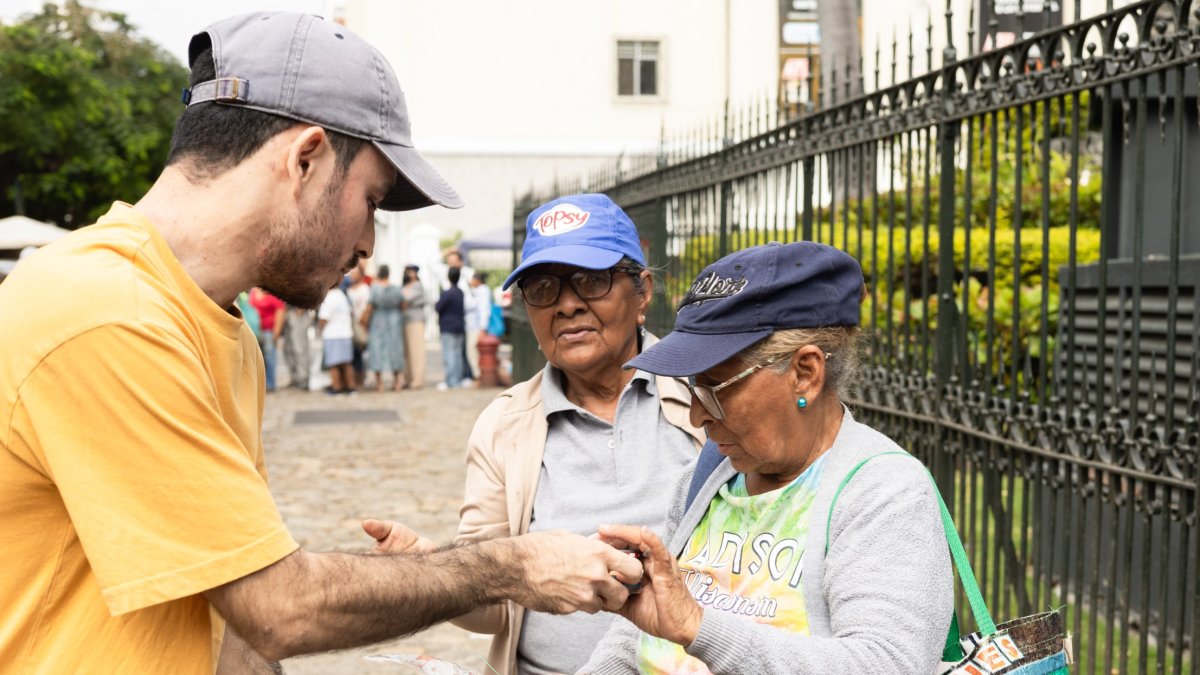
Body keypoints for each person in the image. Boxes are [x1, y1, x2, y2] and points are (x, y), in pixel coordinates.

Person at [0, 13, 643, 673]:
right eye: (371, 199)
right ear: (304, 159)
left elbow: (231, 616)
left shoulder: (219, 327)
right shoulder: (107, 313)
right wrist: (514, 562)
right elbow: (279, 605)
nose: (367, 245)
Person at [579, 242, 954, 674]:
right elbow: (641, 635)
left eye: (715, 388)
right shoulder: (706, 479)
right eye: (691, 388)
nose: (698, 414)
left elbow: (888, 664)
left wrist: (699, 626)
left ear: (805, 373)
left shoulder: (883, 493)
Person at [373, 194, 707, 674]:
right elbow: (491, 608)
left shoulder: (705, 398)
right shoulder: (505, 424)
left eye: (592, 281)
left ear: (643, 292)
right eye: (544, 288)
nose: (567, 305)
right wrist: (434, 570)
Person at [362, 264, 406, 391]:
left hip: (378, 319)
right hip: (394, 320)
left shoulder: (375, 288)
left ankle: (379, 382)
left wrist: (364, 321)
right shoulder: (396, 288)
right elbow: (403, 304)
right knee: (395, 348)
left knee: (377, 349)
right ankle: (397, 381)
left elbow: (370, 306)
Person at [319, 283, 357, 395]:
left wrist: (320, 329)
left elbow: (323, 318)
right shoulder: (342, 295)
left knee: (333, 363)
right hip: (345, 333)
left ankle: (336, 387)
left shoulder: (330, 297)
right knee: (346, 362)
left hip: (333, 334)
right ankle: (350, 386)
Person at [435, 267, 467, 389]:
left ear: (448, 277)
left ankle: (450, 380)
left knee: (449, 354)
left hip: (448, 326)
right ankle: (457, 380)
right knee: (457, 354)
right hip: (459, 325)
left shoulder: (447, 293)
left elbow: (438, 307)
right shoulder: (461, 292)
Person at [249, 287, 286, 392]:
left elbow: (280, 311)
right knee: (256, 358)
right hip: (255, 331)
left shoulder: (272, 293)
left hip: (269, 331)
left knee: (270, 357)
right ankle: (258, 384)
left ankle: (270, 384)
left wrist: (276, 332)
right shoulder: (253, 291)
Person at [401, 264, 428, 389]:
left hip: (415, 320)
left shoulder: (417, 286)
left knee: (416, 351)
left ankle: (417, 380)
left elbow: (405, 299)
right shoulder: (405, 286)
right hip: (405, 320)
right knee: (407, 352)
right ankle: (409, 377)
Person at [346, 264, 372, 388]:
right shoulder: (348, 289)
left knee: (359, 353)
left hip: (360, 324)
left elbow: (367, 308)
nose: (351, 275)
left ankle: (360, 379)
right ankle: (353, 380)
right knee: (351, 353)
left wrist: (363, 323)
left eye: (354, 273)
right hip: (349, 324)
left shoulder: (364, 289)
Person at [282, 303, 314, 390]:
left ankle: (303, 381)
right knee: (289, 350)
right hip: (289, 311)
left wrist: (301, 308)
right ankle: (295, 379)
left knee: (300, 349)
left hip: (299, 312)